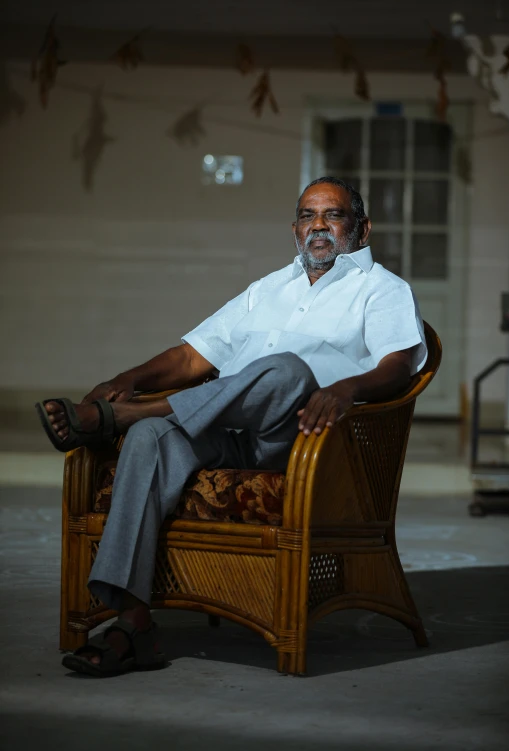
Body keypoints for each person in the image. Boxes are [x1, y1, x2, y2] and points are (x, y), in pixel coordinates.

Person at [37, 176, 427, 676]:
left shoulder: (382, 289)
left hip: (308, 441)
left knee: (285, 369)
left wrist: (347, 388)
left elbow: (399, 364)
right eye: (308, 216)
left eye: (333, 215)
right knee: (149, 439)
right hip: (228, 432)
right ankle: (132, 626)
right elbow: (192, 355)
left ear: (362, 228)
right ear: (294, 228)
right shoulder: (266, 290)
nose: (319, 226)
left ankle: (121, 417)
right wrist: (126, 378)